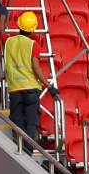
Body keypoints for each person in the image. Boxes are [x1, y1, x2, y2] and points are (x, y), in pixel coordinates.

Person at [4, 11, 57, 154]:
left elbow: (0, 31)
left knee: (17, 121)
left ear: (19, 24)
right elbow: (36, 68)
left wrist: (2, 15)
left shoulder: (9, 41)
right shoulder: (33, 45)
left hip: (15, 89)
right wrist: (49, 86)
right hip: (31, 89)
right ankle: (29, 151)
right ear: (33, 29)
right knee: (32, 121)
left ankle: (20, 150)